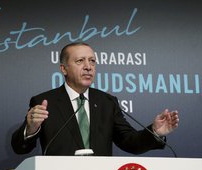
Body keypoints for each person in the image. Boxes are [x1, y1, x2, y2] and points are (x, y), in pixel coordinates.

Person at [11, 42, 179, 156]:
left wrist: (155, 132)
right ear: (64, 69)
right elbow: (19, 148)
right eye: (80, 61)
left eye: (92, 61)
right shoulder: (44, 102)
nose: (88, 66)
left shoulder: (107, 102)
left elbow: (130, 142)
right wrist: (31, 128)